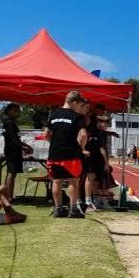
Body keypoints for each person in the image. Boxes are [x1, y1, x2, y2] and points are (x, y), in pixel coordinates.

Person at [45, 90, 89, 219]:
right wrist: (82, 147)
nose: (80, 107)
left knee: (56, 181)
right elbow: (84, 134)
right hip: (71, 154)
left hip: (54, 154)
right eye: (80, 104)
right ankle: (73, 209)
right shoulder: (77, 116)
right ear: (74, 102)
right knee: (73, 181)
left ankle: (58, 209)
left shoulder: (54, 114)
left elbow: (46, 134)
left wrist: (54, 142)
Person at [1, 103, 33, 202]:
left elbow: (16, 138)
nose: (18, 113)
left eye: (18, 111)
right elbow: (13, 139)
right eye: (15, 111)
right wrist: (24, 148)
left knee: (11, 173)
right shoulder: (9, 123)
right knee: (12, 172)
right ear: (9, 111)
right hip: (12, 150)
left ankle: (8, 195)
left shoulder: (11, 122)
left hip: (14, 149)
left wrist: (26, 145)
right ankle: (8, 197)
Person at [83, 112, 111, 212]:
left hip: (97, 160)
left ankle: (94, 201)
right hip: (92, 159)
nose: (107, 124)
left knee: (96, 180)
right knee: (90, 178)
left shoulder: (98, 132)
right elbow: (102, 148)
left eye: (107, 122)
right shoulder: (94, 131)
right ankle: (88, 202)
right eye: (105, 122)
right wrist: (106, 163)